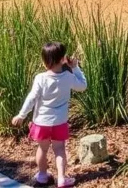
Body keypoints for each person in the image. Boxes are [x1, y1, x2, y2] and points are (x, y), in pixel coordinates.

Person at [12, 42, 87, 188]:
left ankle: (42, 176)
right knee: (59, 150)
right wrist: (75, 67)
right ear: (63, 59)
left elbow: (32, 98)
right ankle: (61, 179)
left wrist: (21, 115)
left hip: (41, 122)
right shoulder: (68, 77)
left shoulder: (40, 78)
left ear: (44, 61)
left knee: (42, 149)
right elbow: (83, 86)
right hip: (59, 122)